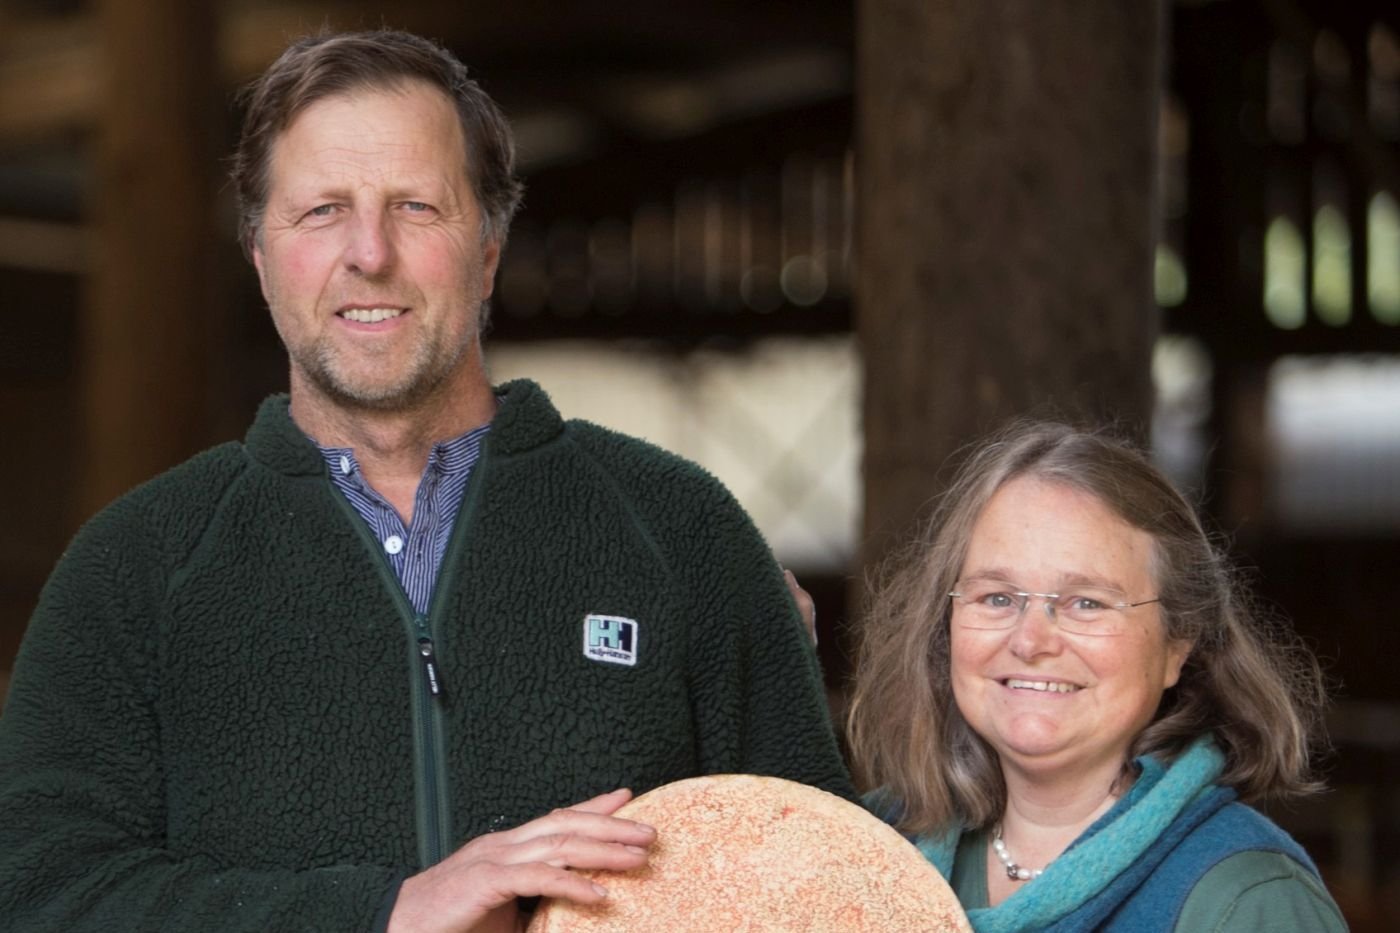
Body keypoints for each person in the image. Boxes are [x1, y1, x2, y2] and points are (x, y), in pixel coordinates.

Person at [0, 30, 851, 933]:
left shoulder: (685, 530)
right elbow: (37, 895)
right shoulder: (134, 566)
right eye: (322, 209)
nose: (370, 253)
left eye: (415, 206)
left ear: (488, 247)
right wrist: (386, 911)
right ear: (259, 254)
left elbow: (829, 890)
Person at [846, 420, 1347, 932]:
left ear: (1178, 643)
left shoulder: (1251, 902)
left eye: (1086, 603)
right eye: (998, 598)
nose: (1030, 640)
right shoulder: (864, 853)